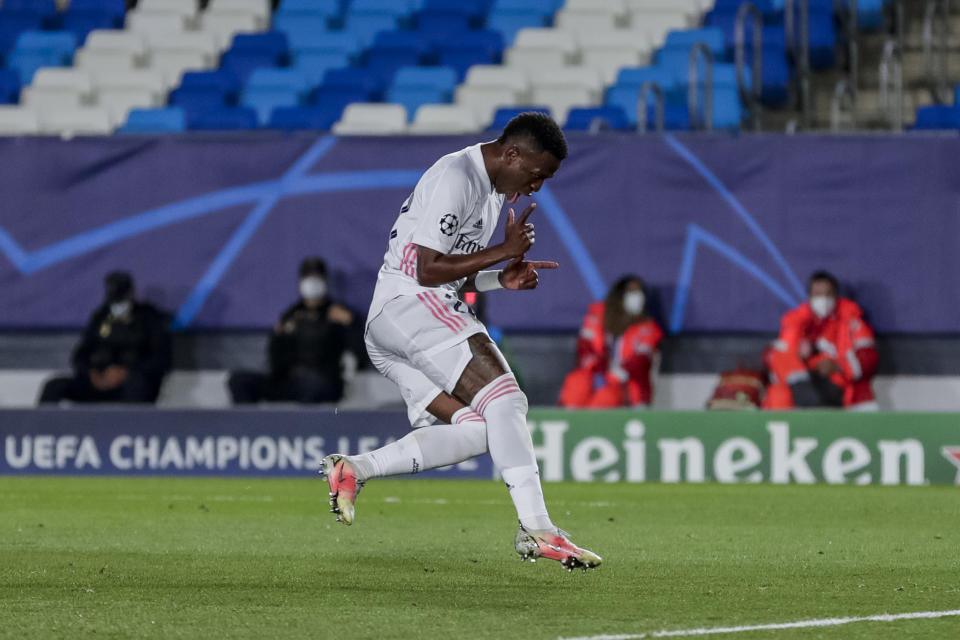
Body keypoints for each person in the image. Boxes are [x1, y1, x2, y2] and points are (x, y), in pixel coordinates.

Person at [319, 112, 602, 571]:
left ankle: (354, 469)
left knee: (478, 430)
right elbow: (425, 270)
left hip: (393, 324)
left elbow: (455, 269)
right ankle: (539, 529)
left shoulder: (492, 192)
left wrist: (497, 280)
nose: (536, 187)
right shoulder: (458, 175)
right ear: (512, 153)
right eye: (536, 174)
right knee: (507, 401)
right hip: (410, 303)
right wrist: (504, 251)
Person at [228, 257, 359, 404]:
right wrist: (279, 337)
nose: (311, 283)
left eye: (316, 278)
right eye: (307, 277)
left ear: (324, 281)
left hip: (322, 382)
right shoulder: (290, 315)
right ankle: (249, 425)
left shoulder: (338, 314)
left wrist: (351, 323)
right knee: (239, 381)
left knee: (312, 385)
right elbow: (274, 359)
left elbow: (360, 350)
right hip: (289, 381)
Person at [38, 271, 172, 404]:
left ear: (131, 292)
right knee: (54, 386)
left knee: (139, 385)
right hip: (97, 381)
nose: (118, 304)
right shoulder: (101, 316)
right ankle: (42, 425)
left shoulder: (149, 317)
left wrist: (125, 373)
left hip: (130, 382)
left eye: (121, 296)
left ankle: (130, 425)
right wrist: (91, 374)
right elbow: (80, 356)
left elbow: (161, 360)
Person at [762, 270, 879, 410]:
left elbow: (869, 358)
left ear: (836, 296)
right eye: (818, 295)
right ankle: (786, 420)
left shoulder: (851, 319)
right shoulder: (796, 320)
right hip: (804, 380)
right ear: (809, 297)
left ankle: (813, 409)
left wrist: (838, 366)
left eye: (828, 294)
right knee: (780, 371)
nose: (823, 299)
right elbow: (774, 355)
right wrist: (798, 359)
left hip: (838, 381)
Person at [558, 275, 664, 408]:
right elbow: (584, 349)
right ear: (620, 294)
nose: (637, 297)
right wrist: (597, 371)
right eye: (631, 292)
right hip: (596, 375)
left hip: (625, 386)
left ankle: (588, 426)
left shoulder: (648, 329)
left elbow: (640, 363)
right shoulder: (597, 316)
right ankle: (568, 422)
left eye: (639, 292)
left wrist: (611, 377)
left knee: (606, 396)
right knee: (577, 381)